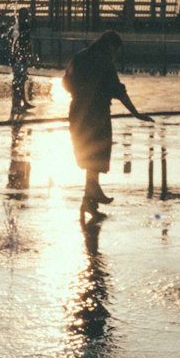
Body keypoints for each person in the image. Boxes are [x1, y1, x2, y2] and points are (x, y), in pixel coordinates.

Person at [62, 31, 152, 224]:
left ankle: (90, 202)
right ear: (110, 46)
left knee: (88, 156)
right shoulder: (104, 62)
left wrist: (79, 94)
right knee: (97, 154)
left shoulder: (81, 56)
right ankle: (93, 195)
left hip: (77, 113)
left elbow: (65, 82)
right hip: (97, 115)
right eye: (116, 50)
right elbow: (118, 91)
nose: (116, 54)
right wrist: (136, 113)